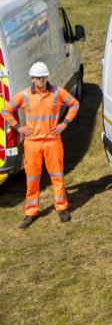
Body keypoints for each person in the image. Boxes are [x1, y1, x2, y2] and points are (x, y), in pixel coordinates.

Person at [1, 61, 78, 228]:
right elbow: (5, 110)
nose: (41, 81)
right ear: (33, 79)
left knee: (57, 176)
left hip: (52, 141)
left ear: (46, 77)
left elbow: (74, 104)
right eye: (38, 78)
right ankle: (31, 212)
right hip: (32, 144)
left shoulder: (57, 92)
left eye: (43, 77)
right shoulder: (25, 95)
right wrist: (18, 127)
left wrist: (64, 123)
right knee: (32, 179)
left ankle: (62, 208)